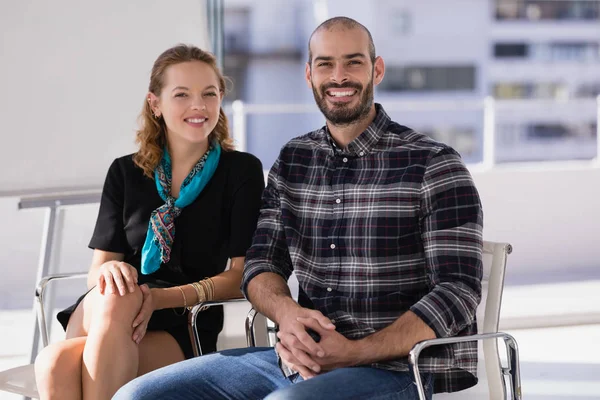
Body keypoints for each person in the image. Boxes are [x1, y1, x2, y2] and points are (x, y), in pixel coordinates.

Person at [114, 16, 483, 400]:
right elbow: (261, 266)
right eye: (325, 64)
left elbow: (458, 290)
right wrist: (288, 316)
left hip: (399, 370)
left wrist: (355, 352)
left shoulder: (433, 164)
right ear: (309, 74)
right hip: (294, 361)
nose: (339, 76)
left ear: (377, 70)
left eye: (353, 62)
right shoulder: (295, 159)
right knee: (137, 396)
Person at [33, 44, 264, 400]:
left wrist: (157, 299)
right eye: (182, 94)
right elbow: (100, 270)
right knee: (115, 296)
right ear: (155, 104)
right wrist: (111, 274)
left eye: (209, 94)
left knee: (55, 363)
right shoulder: (125, 172)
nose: (198, 106)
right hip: (110, 307)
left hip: (184, 317)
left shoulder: (241, 171)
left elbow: (240, 276)